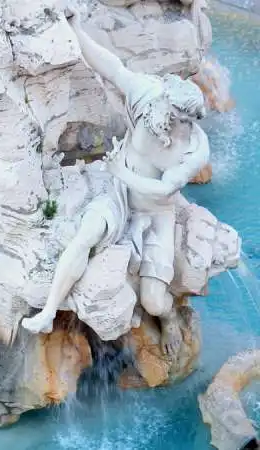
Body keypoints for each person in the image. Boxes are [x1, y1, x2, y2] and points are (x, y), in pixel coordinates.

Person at [21, 8, 210, 357]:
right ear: (163, 100)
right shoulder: (147, 96)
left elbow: (166, 189)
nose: (172, 124)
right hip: (118, 195)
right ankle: (48, 312)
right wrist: (75, 26)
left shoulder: (195, 147)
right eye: (170, 114)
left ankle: (168, 317)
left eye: (181, 121)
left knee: (153, 301)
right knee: (85, 236)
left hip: (156, 214)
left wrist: (123, 172)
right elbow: (108, 66)